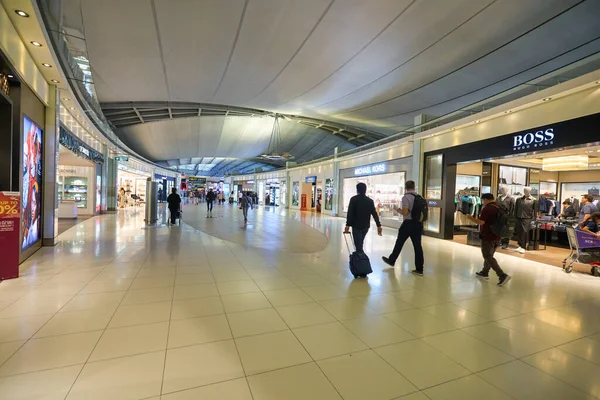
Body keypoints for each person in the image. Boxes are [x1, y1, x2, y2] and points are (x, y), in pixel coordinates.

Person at [465, 193, 512, 286]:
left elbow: (481, 222)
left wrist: (471, 218)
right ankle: (484, 272)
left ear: (485, 199)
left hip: (488, 235)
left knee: (487, 256)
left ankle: (502, 275)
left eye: (483, 200)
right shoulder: (499, 207)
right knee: (489, 255)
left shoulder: (487, 208)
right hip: (497, 235)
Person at [382, 180, 425, 276]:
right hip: (418, 224)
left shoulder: (406, 198)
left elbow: (405, 212)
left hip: (408, 224)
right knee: (418, 246)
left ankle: (392, 260)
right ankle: (419, 269)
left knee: (399, 242)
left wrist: (397, 209)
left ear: (406, 187)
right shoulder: (419, 197)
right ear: (414, 187)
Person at [343, 182, 382, 254]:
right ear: (365, 190)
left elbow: (350, 213)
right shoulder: (370, 201)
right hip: (365, 226)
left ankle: (361, 260)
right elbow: (374, 214)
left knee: (358, 245)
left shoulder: (354, 199)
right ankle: (360, 258)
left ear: (357, 190)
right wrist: (378, 225)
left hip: (356, 226)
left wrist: (347, 225)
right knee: (360, 242)